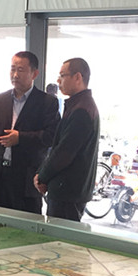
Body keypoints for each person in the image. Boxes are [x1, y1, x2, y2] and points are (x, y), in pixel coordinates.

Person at [0, 51, 60, 214]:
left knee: (26, 224)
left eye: (20, 70)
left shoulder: (47, 102)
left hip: (26, 179)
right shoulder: (0, 99)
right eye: (12, 69)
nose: (15, 74)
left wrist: (20, 137)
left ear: (34, 73)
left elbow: (52, 136)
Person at [34, 58, 100, 222]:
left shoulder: (81, 110)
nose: (58, 81)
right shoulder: (80, 105)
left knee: (59, 236)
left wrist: (42, 177)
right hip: (68, 190)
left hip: (68, 191)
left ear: (78, 77)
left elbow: (64, 153)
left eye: (62, 75)